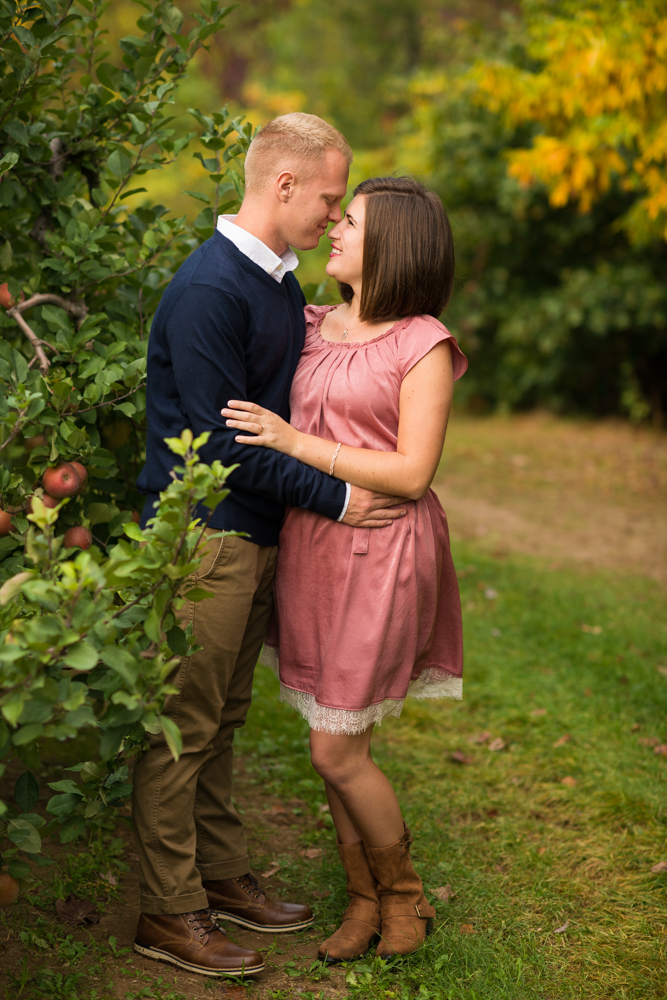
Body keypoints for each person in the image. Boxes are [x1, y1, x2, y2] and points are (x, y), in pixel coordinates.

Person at [131, 116, 407, 979]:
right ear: (282, 185)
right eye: (330, 197)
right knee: (180, 729)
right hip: (204, 537)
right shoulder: (212, 290)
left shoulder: (278, 284)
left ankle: (218, 876)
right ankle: (167, 911)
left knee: (223, 720)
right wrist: (336, 496)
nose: (335, 214)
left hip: (252, 538)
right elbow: (218, 449)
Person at [221, 176, 467, 963]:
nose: (332, 229)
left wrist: (297, 446)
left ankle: (405, 896)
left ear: (391, 243)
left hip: (386, 548)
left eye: (349, 222)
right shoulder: (313, 323)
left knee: (335, 748)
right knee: (337, 726)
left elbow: (412, 471)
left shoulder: (421, 341)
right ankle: (363, 901)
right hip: (316, 547)